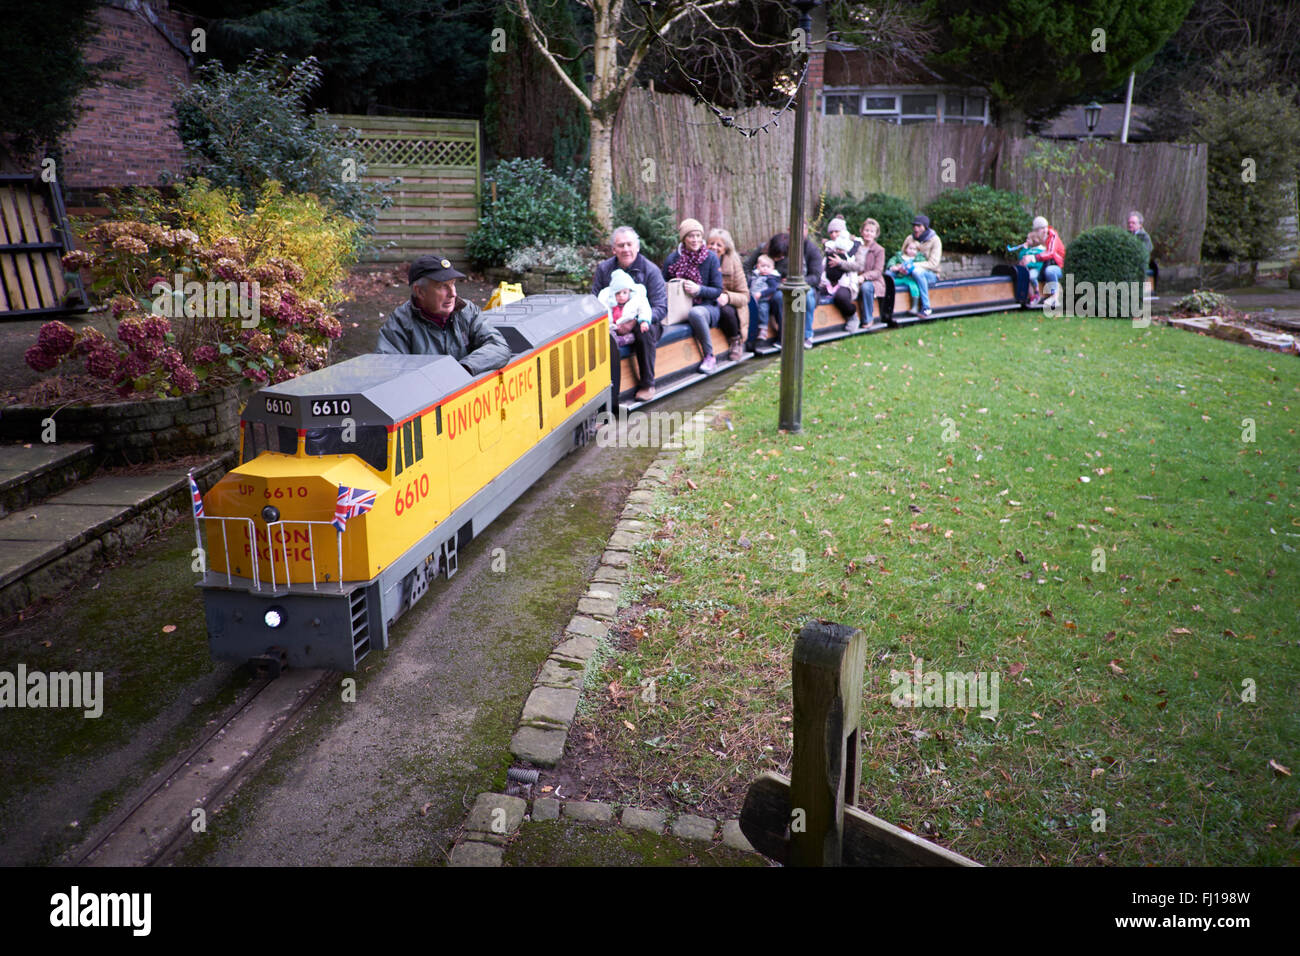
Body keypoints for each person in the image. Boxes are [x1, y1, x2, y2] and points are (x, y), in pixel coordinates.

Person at [376, 254, 511, 374]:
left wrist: (464, 368)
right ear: (420, 292)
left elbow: (499, 347)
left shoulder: (467, 310)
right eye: (442, 286)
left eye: (452, 284)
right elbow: (388, 371)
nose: (453, 293)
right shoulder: (399, 324)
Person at [593, 226, 668, 401]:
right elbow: (594, 301)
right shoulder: (604, 269)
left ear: (637, 246)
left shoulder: (650, 271)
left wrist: (637, 320)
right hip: (612, 321)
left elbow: (661, 308)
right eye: (620, 245)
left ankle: (647, 384)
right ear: (614, 249)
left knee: (644, 330)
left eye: (629, 244)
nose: (625, 249)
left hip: (643, 321)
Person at [663, 218, 733, 373]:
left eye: (698, 236)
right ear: (683, 238)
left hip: (707, 307)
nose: (695, 240)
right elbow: (663, 286)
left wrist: (698, 290)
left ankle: (710, 356)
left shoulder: (711, 258)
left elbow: (717, 291)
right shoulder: (673, 259)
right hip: (678, 308)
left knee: (695, 313)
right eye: (690, 236)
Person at [744, 229, 823, 349]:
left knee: (800, 297)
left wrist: (793, 282)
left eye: (780, 257)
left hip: (800, 287)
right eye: (775, 256)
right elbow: (746, 267)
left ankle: (804, 335)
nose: (777, 259)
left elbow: (814, 277)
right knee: (774, 299)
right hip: (767, 287)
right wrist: (755, 279)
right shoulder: (763, 250)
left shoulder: (802, 253)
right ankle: (775, 336)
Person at [706, 227, 750, 362]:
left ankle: (736, 341)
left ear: (726, 249)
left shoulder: (734, 265)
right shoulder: (701, 260)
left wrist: (727, 297)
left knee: (726, 311)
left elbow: (745, 296)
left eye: (719, 245)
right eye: (711, 243)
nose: (714, 247)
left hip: (728, 305)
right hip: (706, 301)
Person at [821, 215, 864, 323]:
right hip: (829, 281)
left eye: (837, 231)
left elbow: (859, 265)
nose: (834, 235)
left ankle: (852, 316)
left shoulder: (855, 246)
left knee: (841, 297)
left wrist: (841, 263)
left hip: (847, 282)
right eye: (831, 232)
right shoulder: (829, 247)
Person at [596, 268, 651, 347]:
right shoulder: (609, 304)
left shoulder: (636, 301)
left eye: (624, 292)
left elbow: (644, 309)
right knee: (609, 335)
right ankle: (614, 341)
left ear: (630, 292)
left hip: (628, 329)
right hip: (614, 328)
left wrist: (644, 321)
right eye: (618, 293)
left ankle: (622, 340)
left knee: (635, 335)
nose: (621, 295)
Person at [852, 218, 888, 331]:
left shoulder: (879, 250)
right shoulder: (856, 247)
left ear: (876, 234)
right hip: (854, 277)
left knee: (866, 287)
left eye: (871, 231)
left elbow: (878, 271)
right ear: (862, 232)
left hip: (873, 281)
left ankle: (868, 319)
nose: (868, 233)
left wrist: (864, 277)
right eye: (866, 230)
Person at [1024, 215, 1065, 308]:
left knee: (1049, 271)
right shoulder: (1041, 239)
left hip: (1060, 266)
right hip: (1047, 265)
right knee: (1033, 275)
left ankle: (1055, 298)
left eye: (1045, 227)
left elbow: (1050, 253)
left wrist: (1033, 257)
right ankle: (1037, 297)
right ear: (1036, 231)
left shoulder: (1052, 236)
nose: (1045, 230)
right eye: (1042, 228)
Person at [905, 214, 942, 317]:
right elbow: (901, 255)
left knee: (917, 272)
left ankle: (926, 308)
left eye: (919, 226)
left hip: (931, 274)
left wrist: (913, 265)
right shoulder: (909, 238)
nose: (915, 229)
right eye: (914, 226)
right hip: (908, 272)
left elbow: (934, 264)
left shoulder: (935, 240)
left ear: (925, 227)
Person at [1007, 227, 1048, 303]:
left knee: (1031, 276)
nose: (1026, 241)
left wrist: (1029, 263)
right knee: (1024, 277)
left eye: (1028, 239)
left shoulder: (1041, 250)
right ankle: (1031, 297)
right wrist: (1024, 249)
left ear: (1035, 241)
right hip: (1026, 270)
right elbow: (1020, 257)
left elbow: (1039, 263)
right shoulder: (1028, 249)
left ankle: (1037, 293)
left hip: (1036, 270)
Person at [749, 254, 783, 344]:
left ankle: (763, 329)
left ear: (772, 268)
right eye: (762, 266)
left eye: (768, 267)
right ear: (757, 266)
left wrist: (761, 294)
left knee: (763, 309)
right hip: (752, 298)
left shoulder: (770, 278)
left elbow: (773, 288)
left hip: (763, 299)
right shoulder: (754, 276)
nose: (765, 269)